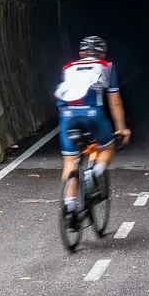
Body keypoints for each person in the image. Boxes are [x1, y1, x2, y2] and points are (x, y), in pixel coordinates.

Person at [55, 36, 131, 219]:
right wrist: (122, 128)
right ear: (102, 53)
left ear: (81, 53)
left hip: (67, 116)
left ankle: (70, 207)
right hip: (93, 115)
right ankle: (96, 172)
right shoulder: (107, 66)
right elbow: (114, 102)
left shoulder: (68, 68)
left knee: (70, 162)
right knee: (107, 146)